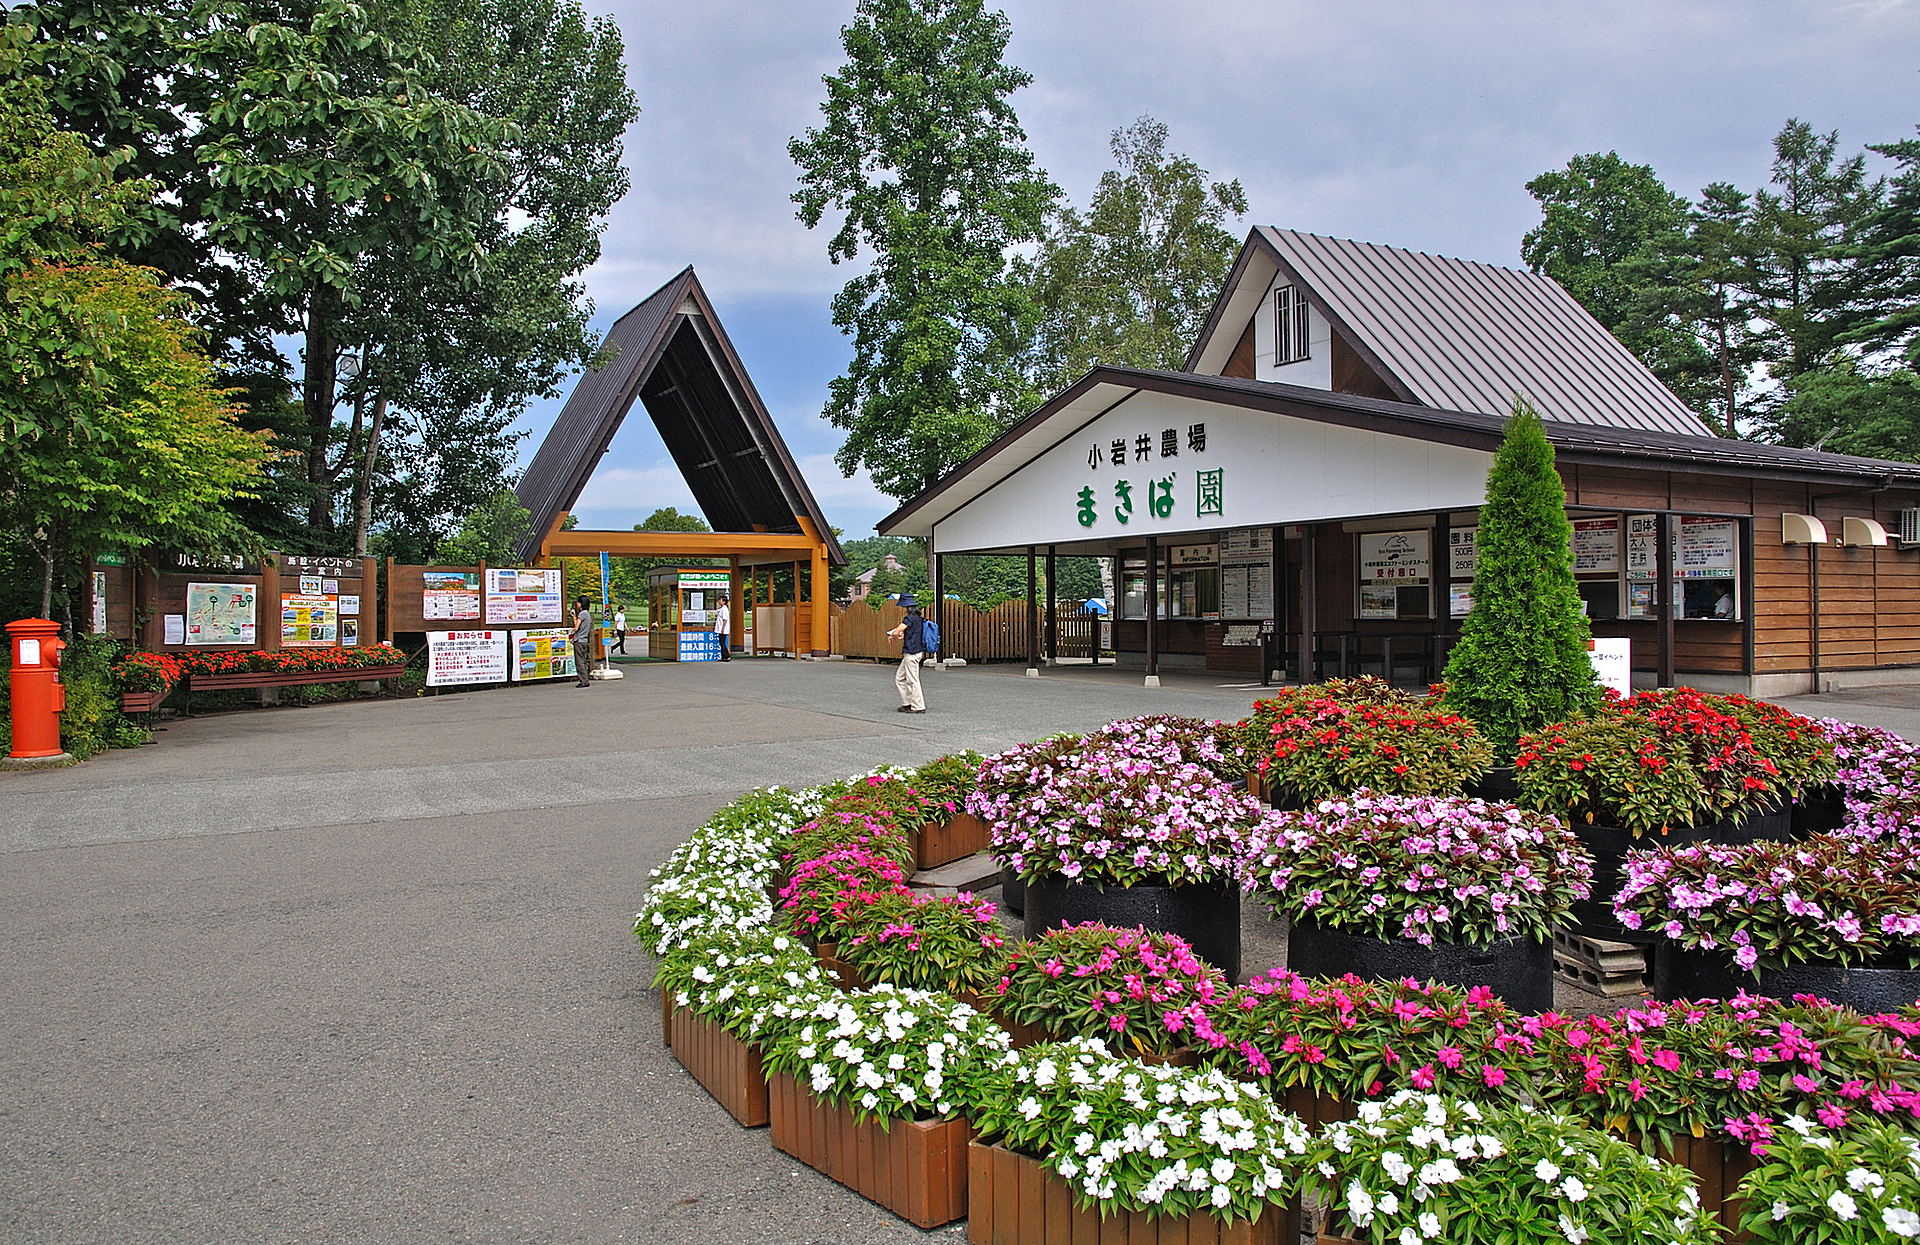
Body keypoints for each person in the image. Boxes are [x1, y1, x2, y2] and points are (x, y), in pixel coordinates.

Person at [886, 595, 928, 713]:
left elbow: (897, 630)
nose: (902, 608)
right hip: (915, 651)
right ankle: (908, 703)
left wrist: (893, 636)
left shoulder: (908, 619)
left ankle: (918, 706)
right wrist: (902, 635)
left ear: (907, 607)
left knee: (912, 680)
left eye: (903, 606)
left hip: (911, 652)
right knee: (900, 677)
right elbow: (913, 633)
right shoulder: (919, 618)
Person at [571, 597, 594, 687]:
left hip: (579, 640)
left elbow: (576, 627)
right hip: (584, 640)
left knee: (579, 661)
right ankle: (585, 679)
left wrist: (574, 617)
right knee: (582, 660)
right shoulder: (587, 614)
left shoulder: (582, 614)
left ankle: (583, 681)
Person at [713, 594, 731, 661]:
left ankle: (727, 656)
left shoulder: (724, 609)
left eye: (720, 600)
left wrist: (723, 628)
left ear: (724, 601)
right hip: (721, 629)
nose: (719, 601)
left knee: (722, 643)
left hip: (722, 629)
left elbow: (725, 619)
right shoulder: (722, 609)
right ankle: (723, 656)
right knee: (721, 642)